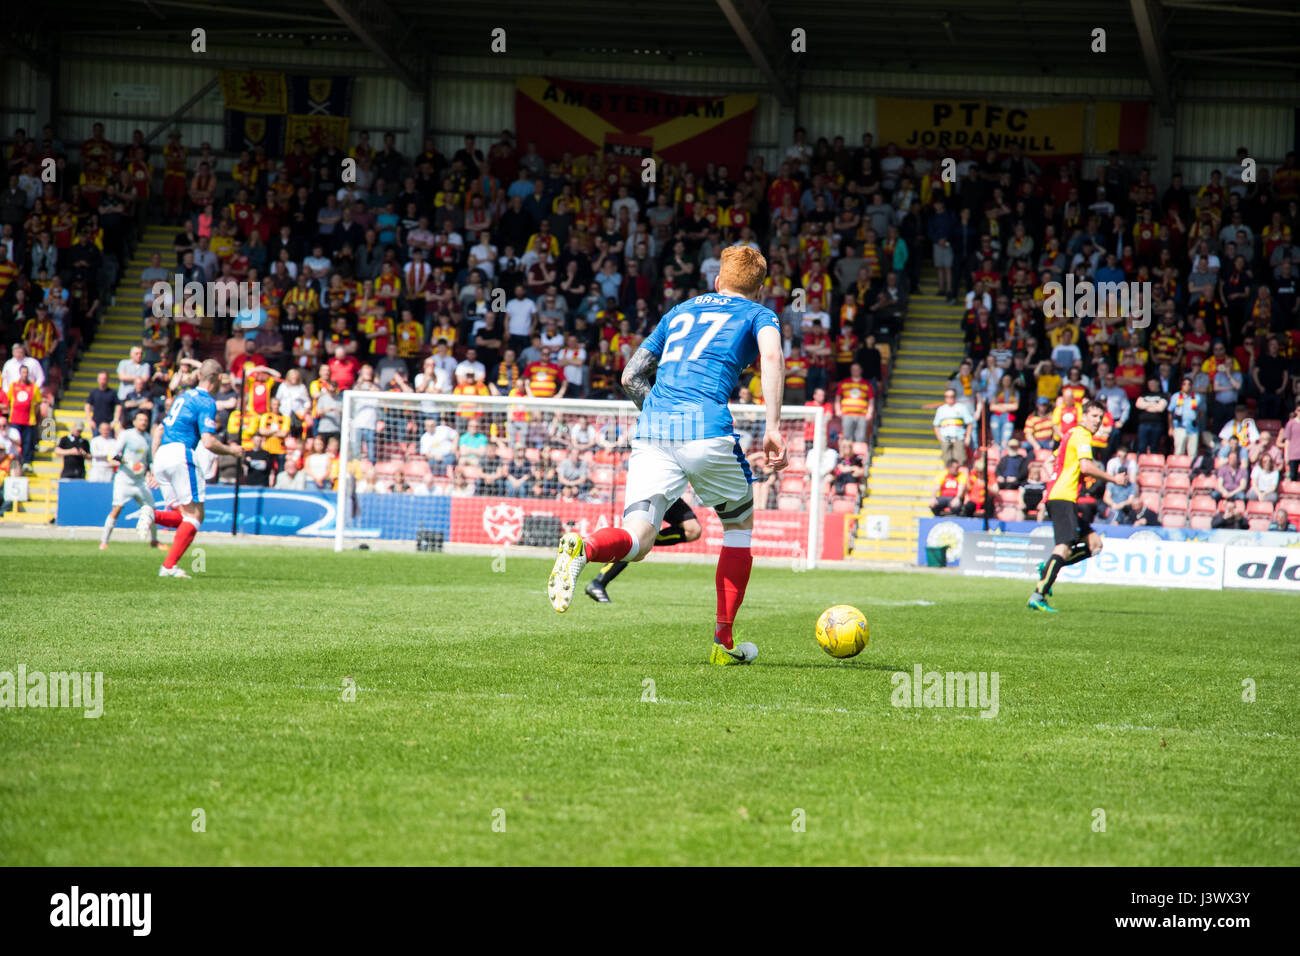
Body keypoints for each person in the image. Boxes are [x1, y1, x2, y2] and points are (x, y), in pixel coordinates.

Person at [546, 245, 787, 668]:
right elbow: (771, 356)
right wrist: (772, 426)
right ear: (760, 289)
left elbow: (629, 376)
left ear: (717, 281)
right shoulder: (759, 315)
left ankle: (583, 547)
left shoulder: (680, 311)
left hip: (654, 430)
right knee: (738, 527)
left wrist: (663, 414)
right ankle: (723, 643)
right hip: (706, 430)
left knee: (638, 540)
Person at [1028, 399, 1130, 612]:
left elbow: (1049, 462)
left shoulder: (1070, 435)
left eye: (1100, 418)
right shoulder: (1082, 435)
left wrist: (1052, 484)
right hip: (1063, 497)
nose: (1097, 421)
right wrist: (1113, 479)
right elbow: (1085, 466)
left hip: (1062, 496)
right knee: (1064, 546)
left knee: (1095, 545)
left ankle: (1048, 568)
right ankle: (1039, 594)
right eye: (1093, 416)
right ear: (1083, 416)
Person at [150, 359, 245, 578]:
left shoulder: (182, 396)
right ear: (219, 378)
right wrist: (233, 451)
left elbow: (159, 430)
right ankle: (168, 566)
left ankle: (151, 514)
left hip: (162, 453)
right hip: (180, 454)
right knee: (195, 516)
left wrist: (153, 463)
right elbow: (209, 442)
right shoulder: (207, 401)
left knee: (182, 514)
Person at [584, 499, 703, 603]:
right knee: (635, 539)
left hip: (672, 491)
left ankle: (640, 541)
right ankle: (598, 582)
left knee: (693, 530)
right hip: (653, 489)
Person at [100, 409, 161, 549]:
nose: (143, 422)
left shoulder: (148, 438)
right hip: (124, 479)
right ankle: (104, 541)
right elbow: (114, 454)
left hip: (140, 481)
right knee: (117, 508)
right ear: (134, 422)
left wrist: (153, 473)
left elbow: (150, 460)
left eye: (145, 420)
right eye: (140, 420)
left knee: (151, 509)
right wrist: (130, 464)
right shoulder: (126, 435)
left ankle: (154, 540)